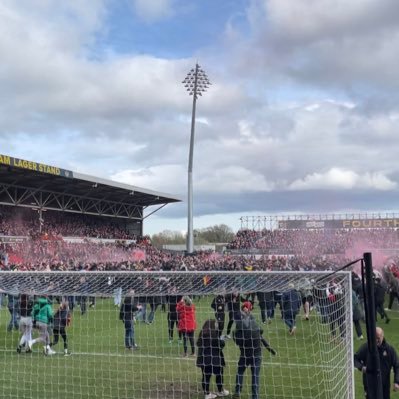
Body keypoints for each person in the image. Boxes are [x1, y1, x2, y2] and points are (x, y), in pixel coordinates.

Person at [232, 301, 276, 399]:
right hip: (256, 353)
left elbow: (237, 341)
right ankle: (255, 396)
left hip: (246, 353)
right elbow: (261, 335)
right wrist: (269, 348)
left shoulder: (239, 329)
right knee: (255, 375)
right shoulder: (254, 323)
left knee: (240, 371)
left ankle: (237, 391)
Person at [354, 327, 399, 399]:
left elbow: (397, 365)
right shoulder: (366, 347)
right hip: (369, 384)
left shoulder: (389, 350)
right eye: (374, 338)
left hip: (384, 385)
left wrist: (397, 382)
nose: (376, 340)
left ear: (382, 336)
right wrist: (361, 367)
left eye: (378, 338)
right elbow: (355, 359)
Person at [196, 319, 229, 399]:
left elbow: (198, 343)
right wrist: (222, 340)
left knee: (206, 376)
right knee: (219, 374)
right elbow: (220, 345)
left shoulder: (202, 333)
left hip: (203, 360)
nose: (217, 326)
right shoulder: (213, 334)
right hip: (214, 360)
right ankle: (220, 391)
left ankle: (207, 393)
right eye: (216, 324)